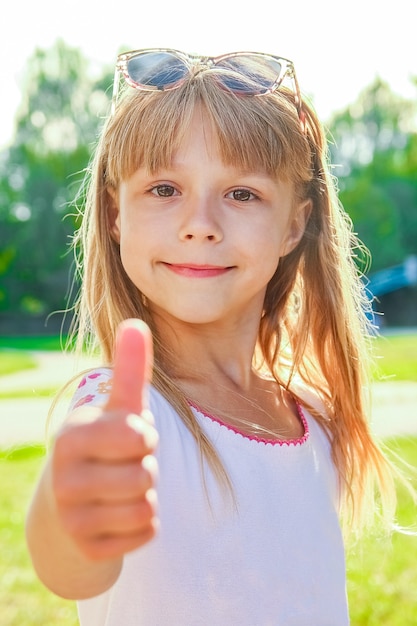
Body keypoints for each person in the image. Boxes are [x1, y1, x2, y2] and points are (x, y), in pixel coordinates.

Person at [26, 49, 398, 625]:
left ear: (294, 225)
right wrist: (70, 505)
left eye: (242, 194)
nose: (200, 223)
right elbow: (72, 566)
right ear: (116, 214)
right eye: (164, 189)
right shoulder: (123, 411)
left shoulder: (314, 417)